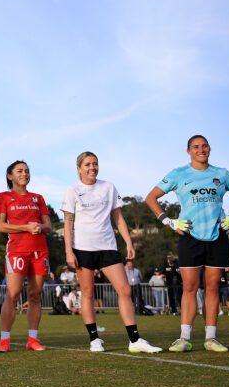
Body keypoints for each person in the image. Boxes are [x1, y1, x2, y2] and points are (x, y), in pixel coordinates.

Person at [146, 134, 229, 353]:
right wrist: (168, 221)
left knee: (213, 287)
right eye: (195, 147)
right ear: (189, 151)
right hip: (190, 236)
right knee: (189, 287)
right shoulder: (178, 174)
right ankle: (184, 338)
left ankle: (211, 338)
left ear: (209, 149)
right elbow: (151, 198)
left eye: (204, 146)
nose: (201, 150)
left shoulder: (222, 174)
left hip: (218, 235)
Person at [62, 152, 161, 354]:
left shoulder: (108, 187)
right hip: (82, 248)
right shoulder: (72, 190)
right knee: (88, 293)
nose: (92, 167)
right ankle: (94, 339)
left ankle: (134, 340)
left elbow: (118, 218)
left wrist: (129, 242)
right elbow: (68, 222)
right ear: (79, 168)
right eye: (87, 164)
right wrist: (69, 252)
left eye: (95, 163)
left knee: (125, 290)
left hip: (108, 246)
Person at [0, 160, 51, 352]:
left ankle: (33, 339)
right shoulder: (3, 197)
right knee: (13, 295)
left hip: (40, 251)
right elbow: (1, 226)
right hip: (17, 251)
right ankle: (4, 340)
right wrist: (25, 228)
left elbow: (49, 226)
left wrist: (40, 227)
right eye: (19, 171)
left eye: (27, 171)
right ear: (10, 175)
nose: (24, 173)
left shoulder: (38, 198)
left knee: (35, 295)